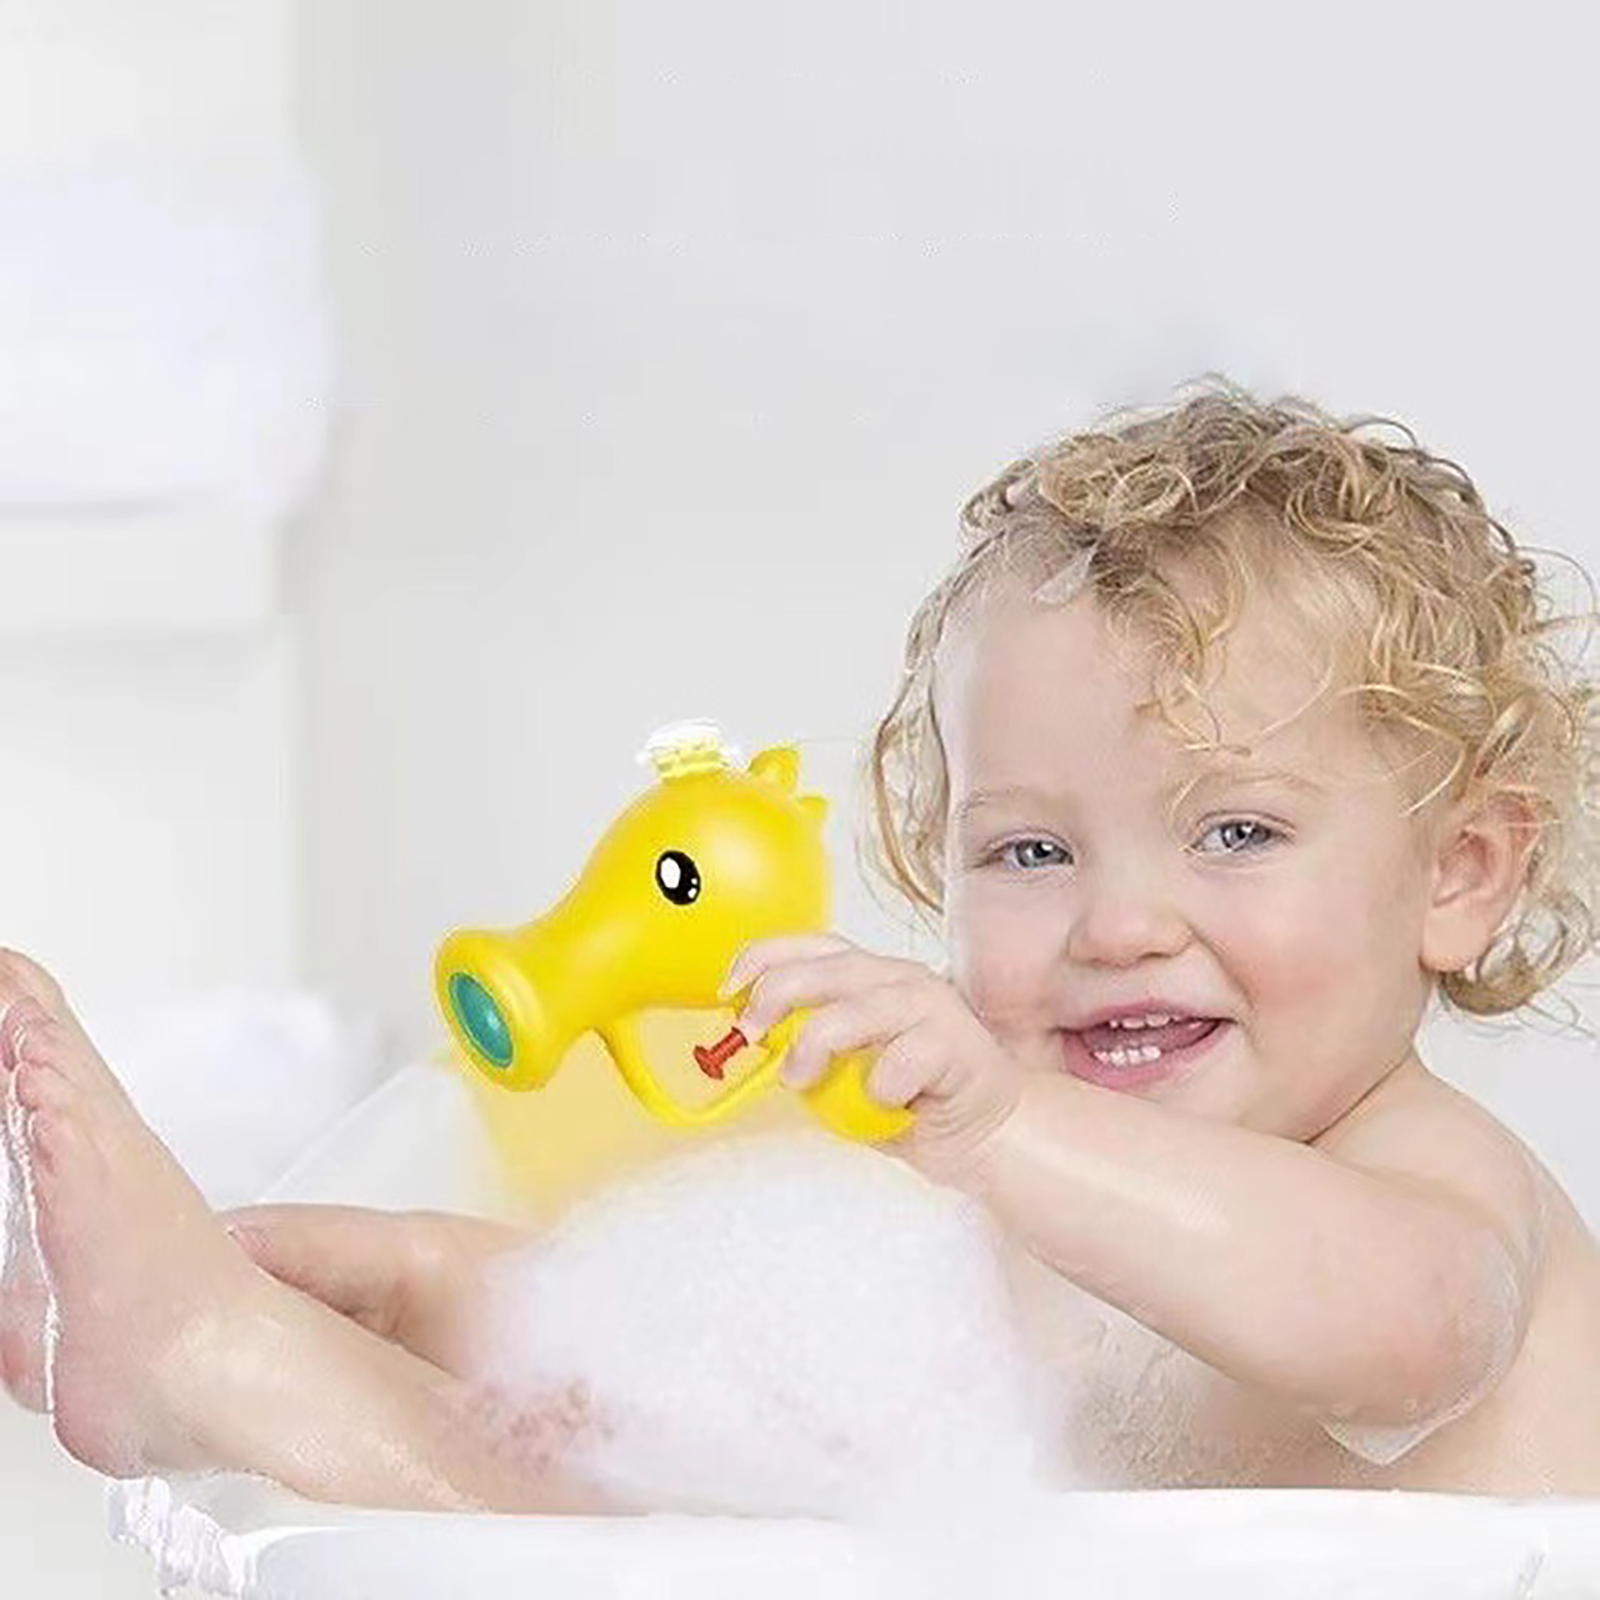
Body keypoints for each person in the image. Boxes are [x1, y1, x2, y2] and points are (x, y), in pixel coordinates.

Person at [3, 379, 1598, 1509]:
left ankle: (210, 1359)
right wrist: (439, 1279)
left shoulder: (1440, 1193)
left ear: (1461, 875)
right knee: (619, 1491)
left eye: (1236, 832)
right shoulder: (1046, 1223)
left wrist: (1001, 1128)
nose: (1118, 925)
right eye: (1031, 851)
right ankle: (212, 1353)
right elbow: (754, 1396)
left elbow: (1395, 1342)